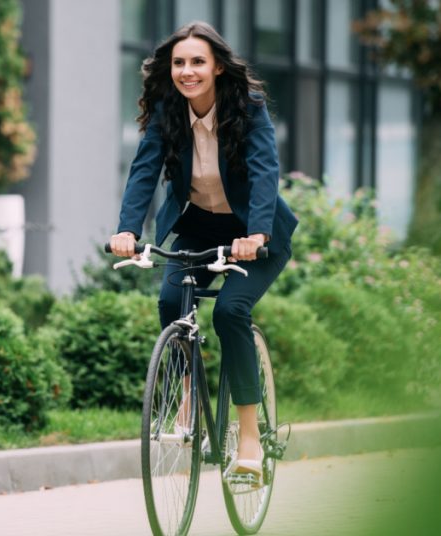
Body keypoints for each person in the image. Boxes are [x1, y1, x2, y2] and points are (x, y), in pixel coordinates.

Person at [109, 21, 297, 478]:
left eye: (197, 62)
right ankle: (189, 393)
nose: (187, 71)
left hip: (252, 236)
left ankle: (250, 439)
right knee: (171, 301)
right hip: (196, 229)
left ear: (216, 67)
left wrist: (255, 236)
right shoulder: (166, 109)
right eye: (179, 63)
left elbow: (263, 171)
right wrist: (127, 230)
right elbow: (144, 171)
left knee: (230, 313)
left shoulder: (247, 108)